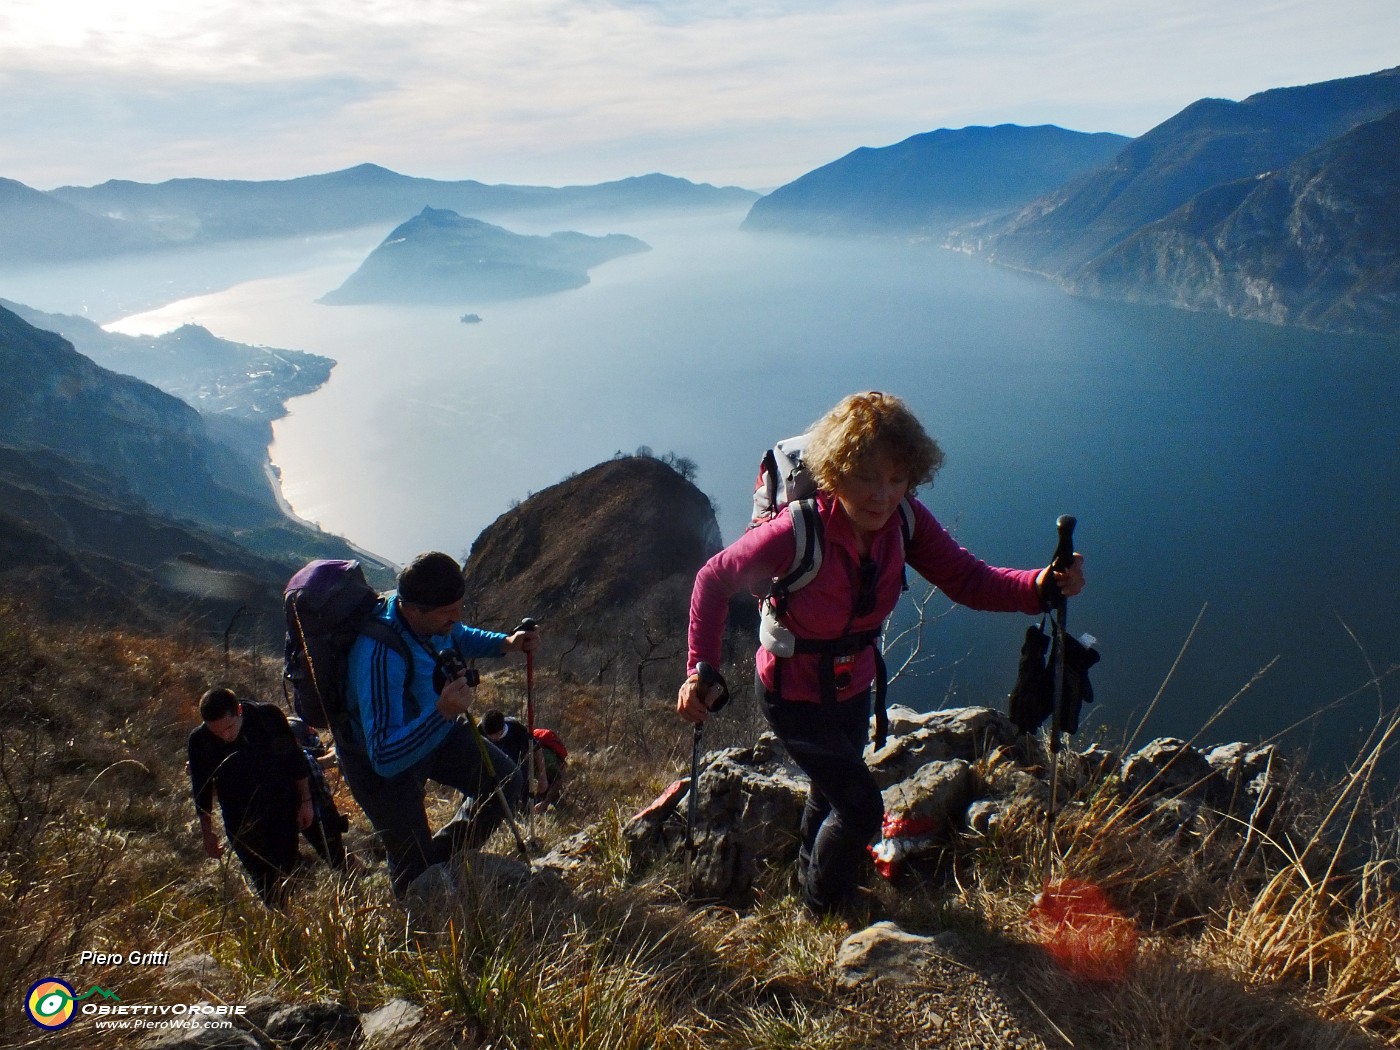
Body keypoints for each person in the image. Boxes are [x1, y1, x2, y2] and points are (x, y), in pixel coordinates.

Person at [676, 391, 1085, 918]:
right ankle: (824, 909)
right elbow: (713, 578)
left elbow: (966, 578)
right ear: (836, 471)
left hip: (854, 686)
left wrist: (1041, 585)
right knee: (863, 808)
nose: (883, 494)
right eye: (867, 476)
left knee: (829, 794)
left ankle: (810, 882)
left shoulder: (905, 521)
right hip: (792, 691)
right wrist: (699, 668)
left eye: (897, 479)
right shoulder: (799, 529)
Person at [337, 551, 538, 897]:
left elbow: (459, 634)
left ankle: (442, 861)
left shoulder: (430, 619)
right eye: (449, 611)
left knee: (506, 782)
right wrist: (443, 712)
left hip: (434, 729)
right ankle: (418, 913)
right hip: (380, 763)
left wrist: (507, 643)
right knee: (412, 869)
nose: (456, 617)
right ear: (414, 609)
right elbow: (384, 756)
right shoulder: (380, 655)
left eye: (458, 606)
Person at [188, 688, 314, 908]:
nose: (225, 736)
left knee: (285, 868)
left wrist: (306, 802)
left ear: (238, 710)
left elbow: (295, 761)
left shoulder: (267, 718)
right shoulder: (200, 741)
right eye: (217, 732)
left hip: (281, 807)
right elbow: (202, 789)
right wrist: (207, 833)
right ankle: (281, 918)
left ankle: (292, 915)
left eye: (229, 727)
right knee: (263, 880)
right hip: (240, 820)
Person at [286, 716, 351, 871]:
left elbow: (329, 754)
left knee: (335, 854)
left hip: (321, 812)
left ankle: (359, 874)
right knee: (334, 854)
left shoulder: (303, 756)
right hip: (316, 812)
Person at [482, 710, 568, 811]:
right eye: (488, 736)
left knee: (528, 799)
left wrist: (542, 777)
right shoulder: (485, 728)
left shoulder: (517, 730)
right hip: (503, 769)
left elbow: (558, 779)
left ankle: (554, 806)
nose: (491, 739)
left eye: (494, 736)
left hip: (522, 770)